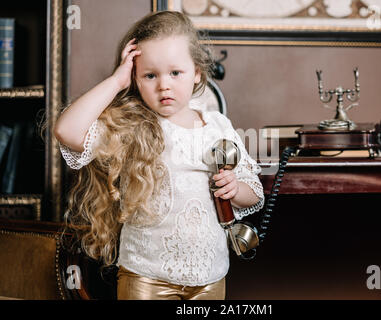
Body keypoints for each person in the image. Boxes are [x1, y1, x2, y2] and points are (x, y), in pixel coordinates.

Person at [53, 11, 264, 300]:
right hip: (146, 277)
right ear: (135, 80)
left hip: (211, 277)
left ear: (197, 73)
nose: (164, 84)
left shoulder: (218, 125)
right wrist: (116, 82)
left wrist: (235, 188)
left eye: (175, 73)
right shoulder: (132, 126)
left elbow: (254, 192)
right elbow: (68, 130)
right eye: (150, 75)